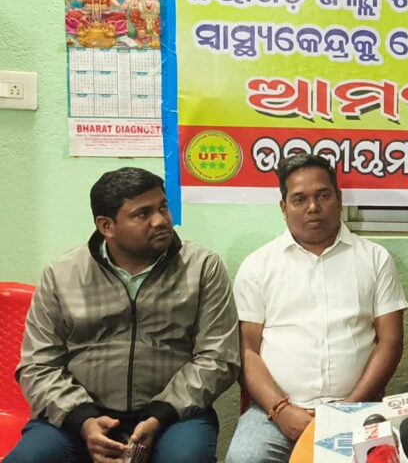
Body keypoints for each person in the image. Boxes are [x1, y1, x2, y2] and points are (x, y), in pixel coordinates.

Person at [8, 167, 239, 463]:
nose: (160, 220)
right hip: (78, 416)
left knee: (187, 458)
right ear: (107, 226)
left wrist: (161, 413)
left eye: (162, 208)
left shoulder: (202, 267)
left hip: (174, 415)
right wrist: (83, 420)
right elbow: (38, 365)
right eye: (142, 214)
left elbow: (219, 357)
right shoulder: (62, 275)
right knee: (28, 459)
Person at [226, 154, 407, 463]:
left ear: (339, 198)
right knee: (245, 458)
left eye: (323, 195)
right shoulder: (257, 266)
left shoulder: (375, 259)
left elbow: (390, 341)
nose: (313, 207)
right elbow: (247, 351)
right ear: (284, 208)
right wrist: (281, 409)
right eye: (299, 199)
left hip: (359, 408)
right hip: (275, 414)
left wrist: (349, 408)